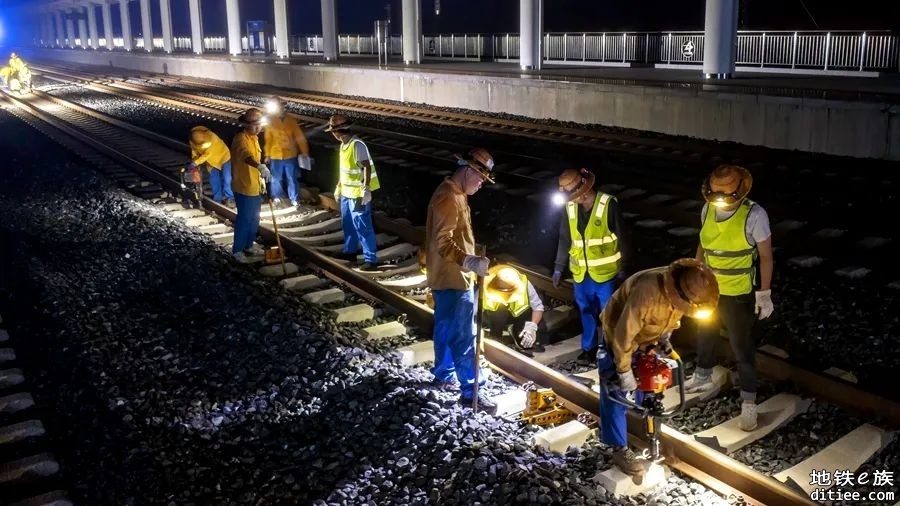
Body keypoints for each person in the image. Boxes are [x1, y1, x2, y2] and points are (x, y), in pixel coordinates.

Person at [598, 259, 719, 476]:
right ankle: (618, 447)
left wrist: (663, 338)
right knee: (615, 391)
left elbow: (672, 317)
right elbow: (623, 335)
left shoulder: (684, 287)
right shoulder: (647, 291)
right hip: (617, 333)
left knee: (651, 384)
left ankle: (649, 430)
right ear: (678, 294)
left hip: (646, 337)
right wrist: (624, 371)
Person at [684, 165, 774, 432]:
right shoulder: (707, 208)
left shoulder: (754, 215)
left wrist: (764, 294)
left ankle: (748, 402)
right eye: (716, 193)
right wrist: (696, 276)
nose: (720, 199)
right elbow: (703, 244)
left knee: (741, 347)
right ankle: (702, 374)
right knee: (705, 331)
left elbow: (766, 256)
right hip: (710, 290)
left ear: (740, 191)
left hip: (738, 294)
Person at [425, 148, 496, 412]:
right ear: (468, 171)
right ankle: (470, 390)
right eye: (479, 179)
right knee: (464, 335)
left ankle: (443, 376)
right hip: (455, 278)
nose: (480, 184)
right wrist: (470, 262)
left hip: (445, 276)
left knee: (444, 328)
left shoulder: (456, 193)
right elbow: (443, 241)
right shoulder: (448, 199)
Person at [552, 168, 627, 366]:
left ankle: (610, 352)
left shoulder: (608, 204)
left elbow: (623, 238)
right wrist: (559, 267)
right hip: (581, 274)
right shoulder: (569, 207)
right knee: (586, 311)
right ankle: (589, 349)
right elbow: (565, 238)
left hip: (606, 275)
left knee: (609, 315)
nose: (571, 199)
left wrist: (624, 268)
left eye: (574, 195)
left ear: (584, 191)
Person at [326, 114, 381, 271]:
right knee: (348, 224)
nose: (332, 134)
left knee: (362, 226)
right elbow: (345, 171)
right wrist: (339, 186)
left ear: (337, 131)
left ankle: (371, 259)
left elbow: (366, 167)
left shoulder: (357, 145)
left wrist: (366, 189)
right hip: (346, 193)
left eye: (332, 131)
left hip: (358, 194)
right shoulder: (344, 145)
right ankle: (350, 252)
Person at [230, 107, 270, 263]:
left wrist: (261, 180)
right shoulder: (240, 139)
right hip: (243, 186)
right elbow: (245, 155)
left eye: (260, 125)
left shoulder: (255, 138)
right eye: (256, 125)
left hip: (254, 187)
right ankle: (237, 250)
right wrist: (259, 166)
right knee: (244, 219)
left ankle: (248, 245)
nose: (259, 128)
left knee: (254, 219)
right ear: (247, 125)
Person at [482, 264, 548, 355]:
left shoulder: (525, 285)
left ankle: (516, 331)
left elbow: (538, 307)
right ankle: (495, 338)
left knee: (526, 342)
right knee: (498, 315)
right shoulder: (485, 287)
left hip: (519, 316)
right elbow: (472, 310)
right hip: (495, 318)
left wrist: (532, 326)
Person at [263, 97, 310, 208]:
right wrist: (267, 154)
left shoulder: (291, 121)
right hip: (276, 155)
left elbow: (300, 137)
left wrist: (304, 152)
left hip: (290, 155)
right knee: (276, 179)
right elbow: (268, 139)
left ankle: (294, 199)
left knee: (292, 178)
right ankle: (277, 198)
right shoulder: (271, 121)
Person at [188, 126, 233, 206]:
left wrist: (196, 163)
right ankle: (217, 199)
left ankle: (229, 198)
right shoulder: (193, 141)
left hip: (223, 157)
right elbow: (194, 152)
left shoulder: (212, 137)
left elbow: (208, 154)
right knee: (214, 181)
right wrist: (194, 161)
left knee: (227, 179)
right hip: (211, 163)